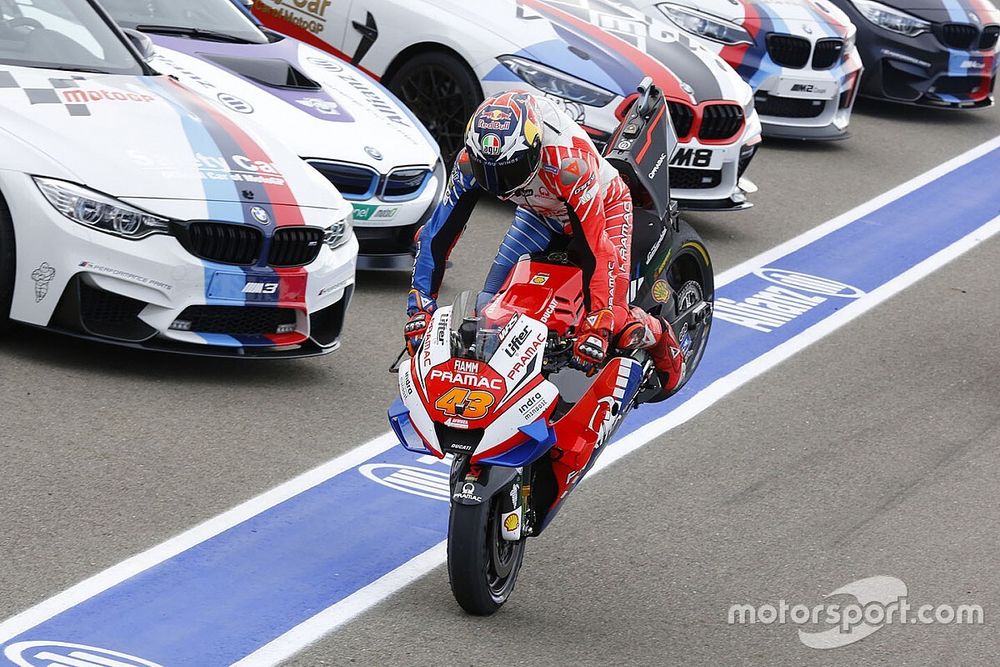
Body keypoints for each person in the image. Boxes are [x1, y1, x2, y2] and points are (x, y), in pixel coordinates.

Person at [404, 91, 685, 393]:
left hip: (603, 207)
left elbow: (595, 251)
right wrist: (420, 305)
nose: (498, 181)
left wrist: (597, 325)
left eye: (509, 169)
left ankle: (660, 338)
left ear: (534, 148)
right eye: (489, 171)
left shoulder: (569, 166)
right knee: (489, 309)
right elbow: (437, 235)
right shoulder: (470, 162)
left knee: (613, 323)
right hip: (538, 210)